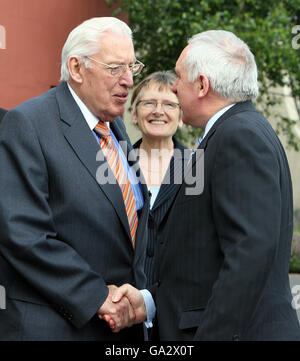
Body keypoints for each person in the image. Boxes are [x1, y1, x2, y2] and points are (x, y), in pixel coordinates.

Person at [112, 30, 300, 341]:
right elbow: (203, 261)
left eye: (179, 77)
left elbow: (250, 252)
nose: (173, 86)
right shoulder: (232, 133)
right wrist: (150, 302)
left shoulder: (238, 137)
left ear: (202, 85)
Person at [0, 17, 151, 341]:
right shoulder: (28, 124)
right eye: (114, 68)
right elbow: (23, 232)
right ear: (77, 68)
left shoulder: (115, 129)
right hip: (56, 327)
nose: (127, 80)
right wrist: (98, 297)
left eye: (131, 67)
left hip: (120, 327)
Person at [130, 71, 189, 288]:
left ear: (182, 117)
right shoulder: (115, 166)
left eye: (169, 105)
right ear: (134, 115)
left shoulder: (197, 167)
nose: (158, 111)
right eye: (149, 103)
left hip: (176, 299)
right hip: (121, 297)